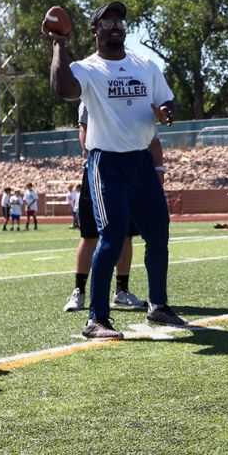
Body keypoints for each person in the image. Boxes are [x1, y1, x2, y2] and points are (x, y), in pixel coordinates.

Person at [46, 0, 186, 337]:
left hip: (142, 161)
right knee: (111, 237)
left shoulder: (146, 64)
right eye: (107, 21)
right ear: (95, 31)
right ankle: (96, 318)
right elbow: (62, 88)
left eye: (119, 21)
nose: (114, 26)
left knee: (158, 233)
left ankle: (159, 306)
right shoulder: (87, 68)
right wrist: (59, 46)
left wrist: (166, 112)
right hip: (107, 162)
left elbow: (166, 100)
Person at [63, 102, 150, 313]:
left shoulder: (125, 88)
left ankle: (122, 290)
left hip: (126, 170)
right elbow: (83, 131)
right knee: (90, 235)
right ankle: (79, 290)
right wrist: (94, 154)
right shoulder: (90, 95)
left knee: (126, 233)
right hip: (98, 169)